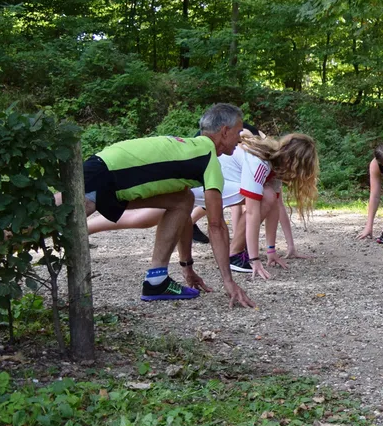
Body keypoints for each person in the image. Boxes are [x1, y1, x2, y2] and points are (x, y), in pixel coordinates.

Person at [73, 103, 254, 307]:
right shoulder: (208, 159)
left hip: (106, 168)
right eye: (238, 132)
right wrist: (229, 282)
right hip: (103, 173)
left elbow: (185, 215)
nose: (240, 138)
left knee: (182, 200)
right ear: (224, 131)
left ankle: (156, 281)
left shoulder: (192, 148)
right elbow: (216, 225)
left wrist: (187, 267)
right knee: (43, 224)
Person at [222, 133, 319, 280]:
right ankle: (234, 254)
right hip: (214, 183)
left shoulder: (275, 167)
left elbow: (274, 209)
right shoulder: (260, 164)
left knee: (270, 196)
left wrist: (271, 251)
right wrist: (255, 259)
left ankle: (237, 250)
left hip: (226, 182)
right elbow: (252, 213)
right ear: (291, 160)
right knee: (266, 196)